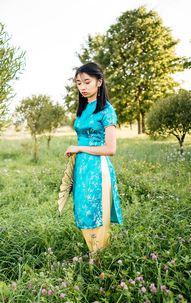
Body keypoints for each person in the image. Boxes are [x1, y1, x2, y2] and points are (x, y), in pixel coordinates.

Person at [64, 62, 123, 253]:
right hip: (81, 167)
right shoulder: (82, 110)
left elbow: (110, 148)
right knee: (82, 211)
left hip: (98, 168)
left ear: (99, 82)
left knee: (96, 212)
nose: (82, 87)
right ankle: (94, 254)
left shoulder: (107, 110)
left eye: (87, 82)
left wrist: (79, 147)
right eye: (79, 83)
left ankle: (99, 257)